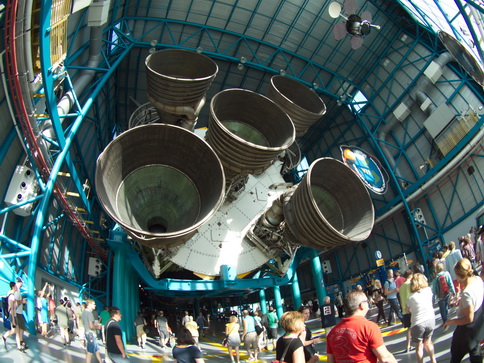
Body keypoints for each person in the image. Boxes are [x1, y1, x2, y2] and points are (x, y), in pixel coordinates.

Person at [326, 291, 397, 363]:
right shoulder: (369, 327)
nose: (369, 303)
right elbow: (385, 358)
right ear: (361, 305)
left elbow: (330, 361)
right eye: (367, 301)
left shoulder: (332, 333)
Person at [444, 258, 484, 362]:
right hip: (477, 329)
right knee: (476, 354)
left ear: (459, 276)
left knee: (456, 357)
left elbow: (468, 319)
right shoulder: (478, 280)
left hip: (466, 332)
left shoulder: (467, 293)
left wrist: (450, 321)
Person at [406, 273, 437, 363]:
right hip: (430, 319)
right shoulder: (428, 291)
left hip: (417, 323)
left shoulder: (410, 298)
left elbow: (407, 310)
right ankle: (433, 360)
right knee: (428, 342)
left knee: (419, 347)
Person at [432, 262, 455, 329]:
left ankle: (445, 322)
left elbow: (434, 290)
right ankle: (447, 318)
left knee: (442, 310)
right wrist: (453, 291)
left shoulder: (436, 278)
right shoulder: (446, 274)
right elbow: (450, 283)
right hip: (447, 293)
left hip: (440, 296)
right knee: (446, 307)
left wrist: (433, 300)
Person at [2, 282, 19, 351]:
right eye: (16, 286)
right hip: (13, 315)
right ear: (13, 287)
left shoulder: (9, 294)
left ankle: (19, 345)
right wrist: (13, 320)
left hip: (12, 314)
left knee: (16, 330)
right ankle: (5, 336)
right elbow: (12, 308)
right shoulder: (12, 296)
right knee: (14, 330)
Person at [399, 270, 413, 352]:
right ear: (410, 275)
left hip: (404, 310)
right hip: (411, 309)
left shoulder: (401, 287)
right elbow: (410, 297)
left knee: (409, 329)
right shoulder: (409, 285)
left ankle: (408, 346)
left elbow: (401, 299)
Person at [13, 277, 28, 352]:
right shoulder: (16, 292)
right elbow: (15, 302)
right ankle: (19, 345)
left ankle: (21, 341)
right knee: (18, 331)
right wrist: (22, 301)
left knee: (22, 328)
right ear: (19, 283)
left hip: (19, 312)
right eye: (22, 282)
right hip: (17, 313)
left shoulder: (18, 291)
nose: (22, 284)